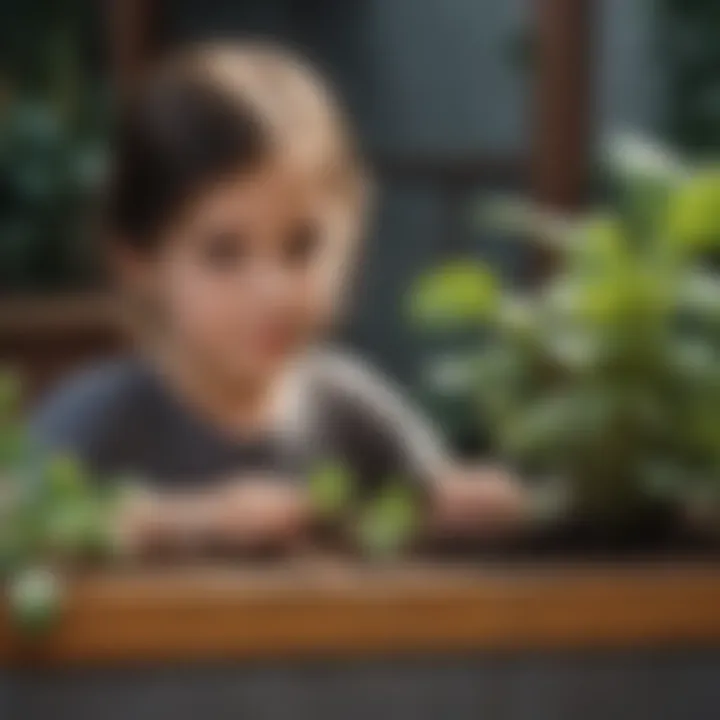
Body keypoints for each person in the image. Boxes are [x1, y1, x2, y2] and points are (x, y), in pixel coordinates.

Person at [32, 43, 525, 555]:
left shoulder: (352, 411)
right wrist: (189, 521)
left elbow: (435, 507)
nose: (275, 291)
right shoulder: (99, 418)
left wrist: (467, 504)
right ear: (140, 262)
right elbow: (19, 525)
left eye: (302, 246)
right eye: (224, 254)